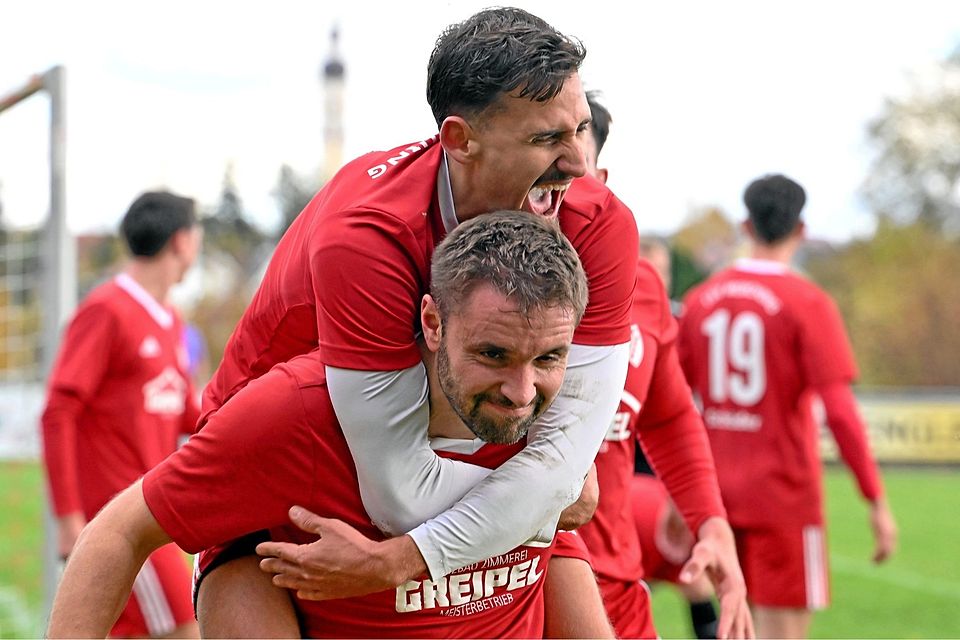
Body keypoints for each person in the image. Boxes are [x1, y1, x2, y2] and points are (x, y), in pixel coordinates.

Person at [48, 211, 593, 638]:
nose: (521, 393)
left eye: (548, 358)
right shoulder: (301, 413)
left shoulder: (556, 429)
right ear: (432, 322)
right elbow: (121, 531)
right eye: (493, 354)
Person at [542, 90, 745, 639]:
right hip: (504, 589)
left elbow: (668, 415)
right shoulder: (468, 282)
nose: (550, 193)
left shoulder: (646, 287)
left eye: (568, 173)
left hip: (617, 585)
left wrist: (711, 521)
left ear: (597, 179)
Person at [677, 174, 898, 639]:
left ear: (746, 225)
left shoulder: (700, 301)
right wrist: (875, 500)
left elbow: (674, 404)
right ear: (801, 229)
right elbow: (839, 413)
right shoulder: (808, 303)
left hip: (716, 496)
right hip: (784, 498)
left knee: (736, 627)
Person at [40, 191, 202, 638]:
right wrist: (70, 517)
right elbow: (58, 410)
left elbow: (187, 411)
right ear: (182, 241)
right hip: (116, 518)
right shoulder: (106, 310)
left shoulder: (170, 319)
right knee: (182, 627)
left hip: (153, 507)